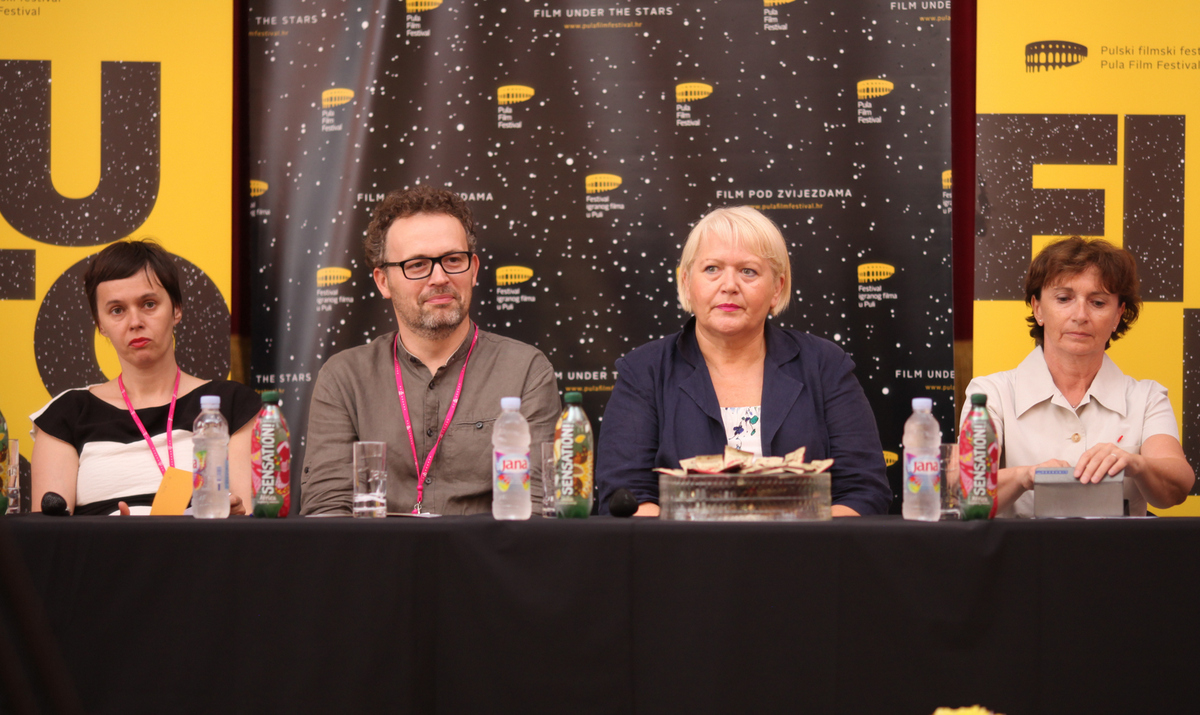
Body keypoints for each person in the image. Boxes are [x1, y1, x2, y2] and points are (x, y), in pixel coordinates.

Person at [596, 206, 891, 516]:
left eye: (748, 271)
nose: (729, 285)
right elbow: (625, 496)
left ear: (777, 288)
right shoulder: (643, 372)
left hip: (806, 547)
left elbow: (863, 492)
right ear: (686, 282)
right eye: (712, 268)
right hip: (682, 549)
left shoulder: (825, 365)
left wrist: (793, 539)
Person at [301, 186, 561, 515]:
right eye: (417, 264)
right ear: (383, 281)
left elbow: (537, 512)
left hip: (488, 550)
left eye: (453, 260)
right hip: (375, 550)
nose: (439, 277)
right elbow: (327, 512)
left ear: (474, 269)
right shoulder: (344, 379)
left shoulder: (526, 371)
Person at [963, 237, 1194, 517]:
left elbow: (1178, 487)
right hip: (1022, 546)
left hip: (1118, 546)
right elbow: (965, 490)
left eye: (1097, 302)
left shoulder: (1147, 397)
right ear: (1038, 308)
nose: (1080, 315)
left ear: (1118, 315)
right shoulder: (990, 393)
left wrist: (1136, 464)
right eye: (1064, 299)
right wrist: (1028, 476)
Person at [31, 240, 261, 516]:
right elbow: (47, 534)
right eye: (117, 310)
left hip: (204, 543)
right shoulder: (66, 414)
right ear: (100, 324)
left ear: (176, 310)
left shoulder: (232, 404)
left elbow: (251, 520)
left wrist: (234, 518)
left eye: (149, 304)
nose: (135, 322)